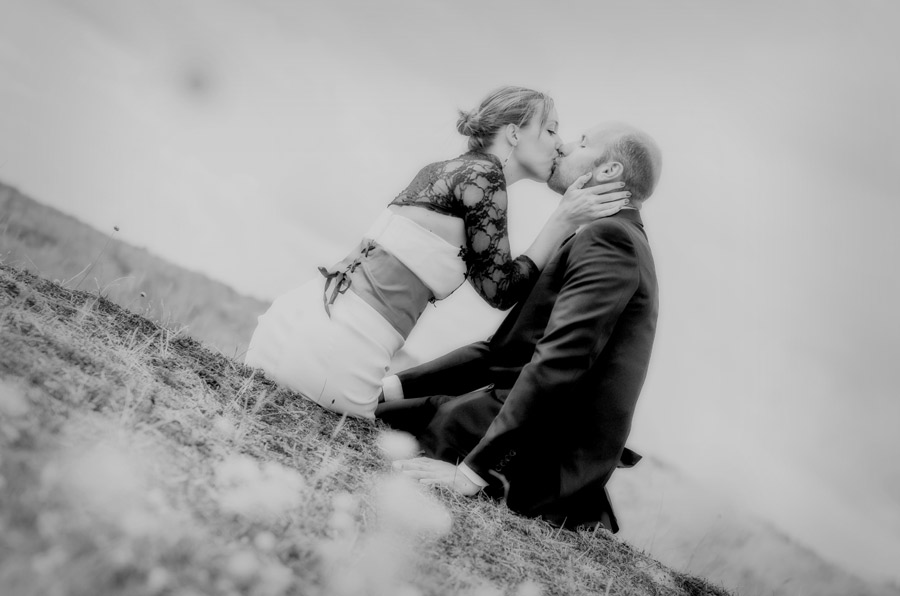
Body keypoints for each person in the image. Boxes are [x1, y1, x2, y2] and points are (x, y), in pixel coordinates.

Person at [244, 87, 631, 419]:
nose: (560, 144)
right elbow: (500, 291)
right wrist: (562, 220)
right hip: (338, 349)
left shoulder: (448, 169)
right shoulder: (485, 178)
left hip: (295, 321)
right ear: (514, 133)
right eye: (550, 130)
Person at [381, 123, 662, 533]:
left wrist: (473, 473)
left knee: (440, 421)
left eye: (582, 142)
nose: (564, 146)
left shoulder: (611, 240)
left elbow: (561, 362)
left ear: (607, 171)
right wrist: (389, 385)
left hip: (545, 448)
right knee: (379, 408)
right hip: (523, 413)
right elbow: (504, 352)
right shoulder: (603, 234)